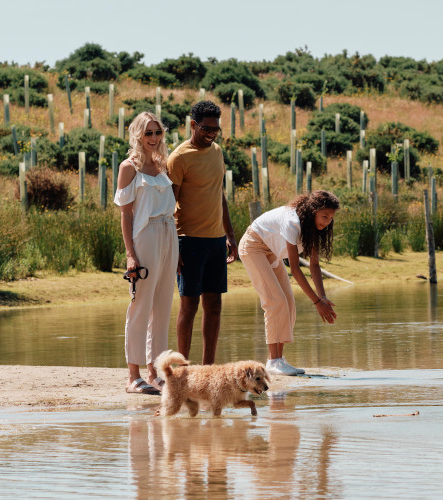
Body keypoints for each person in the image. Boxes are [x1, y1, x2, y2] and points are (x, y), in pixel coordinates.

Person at [238, 190, 340, 376]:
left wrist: (323, 297)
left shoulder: (313, 228)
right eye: (324, 216)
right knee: (275, 301)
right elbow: (295, 269)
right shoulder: (293, 222)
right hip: (253, 247)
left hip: (271, 252)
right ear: (313, 211)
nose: (327, 222)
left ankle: (278, 360)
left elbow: (314, 265)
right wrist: (317, 302)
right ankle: (273, 362)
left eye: (331, 218)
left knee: (289, 303)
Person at [167, 101, 237, 365]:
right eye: (206, 129)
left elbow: (219, 194)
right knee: (189, 305)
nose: (211, 134)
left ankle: (208, 367)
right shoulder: (179, 158)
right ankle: (183, 368)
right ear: (193, 125)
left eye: (216, 129)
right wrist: (173, 247)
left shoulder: (217, 152)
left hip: (216, 240)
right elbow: (168, 207)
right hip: (189, 241)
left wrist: (230, 235)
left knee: (214, 305)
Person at [115, 111, 178, 395]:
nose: (153, 138)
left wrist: (176, 249)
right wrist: (131, 254)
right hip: (145, 236)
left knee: (163, 307)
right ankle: (133, 376)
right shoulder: (129, 167)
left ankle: (156, 372)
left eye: (157, 132)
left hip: (169, 234)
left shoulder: (163, 164)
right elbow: (126, 214)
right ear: (138, 135)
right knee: (140, 305)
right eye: (148, 132)